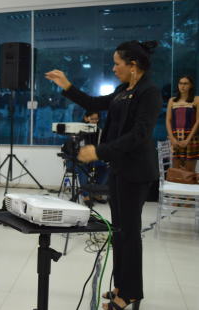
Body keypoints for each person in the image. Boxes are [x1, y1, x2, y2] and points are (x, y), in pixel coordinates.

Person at [46, 40, 161, 310]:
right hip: (120, 168)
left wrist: (100, 151)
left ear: (133, 66)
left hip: (136, 171)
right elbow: (94, 102)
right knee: (118, 231)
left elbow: (139, 134)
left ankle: (131, 292)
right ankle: (122, 284)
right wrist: (67, 85)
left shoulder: (150, 92)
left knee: (130, 232)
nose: (114, 68)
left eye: (117, 63)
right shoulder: (124, 90)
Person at [166, 75, 199, 172]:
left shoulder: (196, 99)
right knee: (176, 170)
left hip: (191, 138)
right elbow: (168, 120)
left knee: (189, 172)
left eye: (185, 83)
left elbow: (198, 121)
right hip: (175, 138)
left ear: (191, 86)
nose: (182, 86)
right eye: (180, 83)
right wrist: (172, 138)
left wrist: (188, 140)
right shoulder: (172, 100)